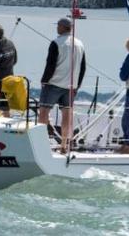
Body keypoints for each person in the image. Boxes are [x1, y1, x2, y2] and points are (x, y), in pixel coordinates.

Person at [38, 17, 86, 154]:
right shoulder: (80, 44)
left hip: (54, 83)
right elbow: (83, 67)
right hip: (71, 86)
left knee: (43, 113)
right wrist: (77, 85)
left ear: (63, 27)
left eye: (58, 26)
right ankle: (64, 145)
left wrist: (44, 80)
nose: (56, 28)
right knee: (67, 114)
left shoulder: (56, 43)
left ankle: (43, 144)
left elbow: (50, 64)